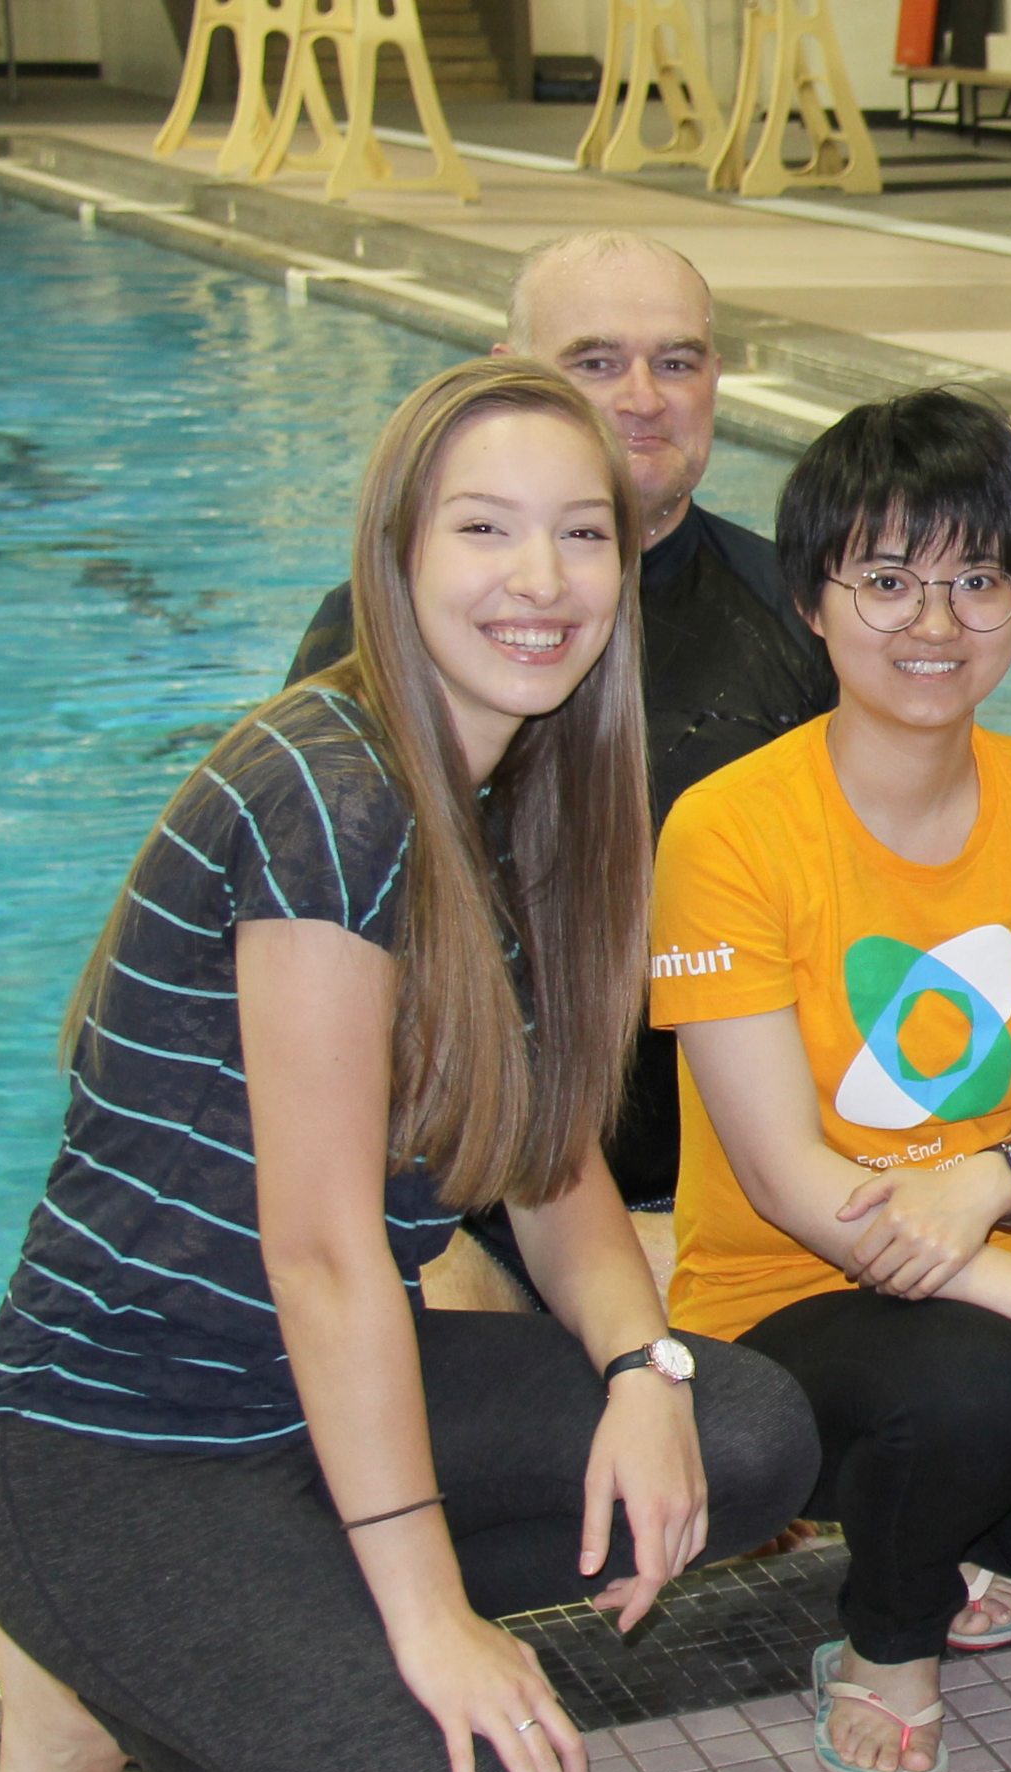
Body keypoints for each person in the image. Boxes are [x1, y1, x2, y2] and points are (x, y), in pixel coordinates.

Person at [0, 360, 818, 1772]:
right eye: (485, 528)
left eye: (578, 534)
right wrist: (430, 1621)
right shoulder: (328, 789)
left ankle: (252, 1627)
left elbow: (553, 1166)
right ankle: (98, 1651)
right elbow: (328, 1252)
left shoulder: (532, 803)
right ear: (396, 549)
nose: (540, 578)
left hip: (305, 1414)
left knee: (738, 1429)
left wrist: (643, 1368)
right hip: (116, 1441)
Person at [652, 390, 1011, 1772]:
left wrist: (989, 1185)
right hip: (790, 1286)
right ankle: (886, 1631)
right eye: (886, 580)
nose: (935, 624)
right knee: (980, 1389)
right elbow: (790, 1182)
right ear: (812, 600)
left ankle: (977, 1527)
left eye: (977, 579)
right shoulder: (730, 829)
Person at [289, 231, 837, 1243]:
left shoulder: (811, 619)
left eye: (676, 361)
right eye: (594, 362)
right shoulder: (385, 630)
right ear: (506, 386)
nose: (642, 396)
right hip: (463, 1197)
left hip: (737, 1199)